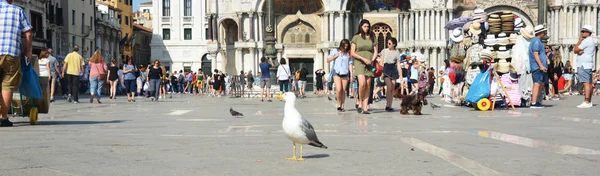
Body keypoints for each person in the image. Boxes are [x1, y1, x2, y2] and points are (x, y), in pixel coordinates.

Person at [0, 0, 32, 126]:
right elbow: (28, 33)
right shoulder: (17, 10)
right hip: (11, 52)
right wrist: (28, 51)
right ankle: (3, 118)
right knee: (8, 85)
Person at [351, 19, 378, 114]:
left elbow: (375, 51)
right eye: (364, 26)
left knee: (368, 85)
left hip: (369, 63)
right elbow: (352, 52)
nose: (366, 28)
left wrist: (372, 60)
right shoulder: (356, 37)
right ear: (361, 27)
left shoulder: (372, 37)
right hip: (359, 62)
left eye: (367, 26)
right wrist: (363, 59)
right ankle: (360, 102)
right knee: (362, 83)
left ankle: (366, 107)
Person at [574, 25, 596, 108]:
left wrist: (579, 41)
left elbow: (575, 50)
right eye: (581, 31)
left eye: (583, 31)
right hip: (587, 63)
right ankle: (589, 101)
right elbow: (578, 51)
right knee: (588, 83)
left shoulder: (586, 41)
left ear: (588, 32)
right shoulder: (590, 41)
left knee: (586, 83)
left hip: (584, 64)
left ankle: (587, 101)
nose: (582, 33)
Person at [327, 39, 352, 112]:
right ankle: (338, 104)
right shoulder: (335, 51)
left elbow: (350, 64)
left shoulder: (348, 54)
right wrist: (334, 57)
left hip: (345, 72)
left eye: (347, 46)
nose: (345, 47)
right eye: (344, 46)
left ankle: (342, 105)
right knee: (338, 89)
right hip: (336, 72)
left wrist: (351, 75)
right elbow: (328, 60)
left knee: (343, 90)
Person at [379, 37, 402, 112]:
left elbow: (398, 64)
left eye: (389, 43)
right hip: (386, 68)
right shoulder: (384, 51)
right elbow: (381, 61)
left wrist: (401, 75)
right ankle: (387, 104)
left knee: (392, 88)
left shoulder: (397, 52)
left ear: (394, 44)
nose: (388, 45)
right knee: (389, 87)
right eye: (388, 43)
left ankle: (390, 105)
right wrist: (381, 71)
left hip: (393, 69)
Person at [528, 25, 549, 108]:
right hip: (537, 67)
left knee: (540, 83)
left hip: (539, 66)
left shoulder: (536, 41)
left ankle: (537, 101)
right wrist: (540, 65)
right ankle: (534, 102)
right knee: (537, 84)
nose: (544, 33)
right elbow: (536, 54)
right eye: (543, 32)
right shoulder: (536, 42)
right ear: (540, 33)